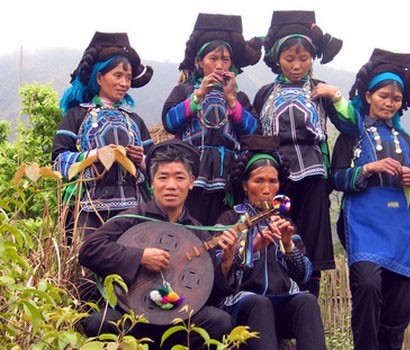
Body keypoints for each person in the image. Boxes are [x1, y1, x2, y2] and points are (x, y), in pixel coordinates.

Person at [78, 139, 236, 349]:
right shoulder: (134, 217)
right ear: (152, 183)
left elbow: (212, 291)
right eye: (163, 177)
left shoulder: (197, 231)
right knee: (100, 323)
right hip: (133, 319)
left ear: (191, 182)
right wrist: (139, 256)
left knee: (219, 321)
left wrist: (226, 263)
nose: (171, 185)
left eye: (179, 178)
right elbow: (89, 250)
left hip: (180, 325)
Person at [330, 48, 410, 350]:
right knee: (368, 286)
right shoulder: (351, 137)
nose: (390, 102)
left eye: (396, 99)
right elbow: (335, 177)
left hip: (399, 230)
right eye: (384, 95)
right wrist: (368, 169)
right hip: (364, 226)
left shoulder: (406, 142)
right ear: (369, 96)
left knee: (399, 308)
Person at [253, 10, 358, 296]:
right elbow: (253, 136)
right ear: (277, 59)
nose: (297, 65)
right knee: (275, 237)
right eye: (290, 59)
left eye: (303, 59)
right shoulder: (264, 94)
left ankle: (308, 303)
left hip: (313, 179)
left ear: (312, 59)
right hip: (275, 181)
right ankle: (276, 305)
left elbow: (351, 126)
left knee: (309, 244)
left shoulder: (320, 89)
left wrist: (337, 97)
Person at [215, 135, 326, 350]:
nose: (266, 188)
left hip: (282, 302)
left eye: (272, 181)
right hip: (244, 304)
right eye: (259, 181)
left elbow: (303, 275)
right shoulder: (229, 220)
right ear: (245, 186)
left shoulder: (285, 222)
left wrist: (288, 244)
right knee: (260, 303)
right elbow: (220, 272)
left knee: (307, 301)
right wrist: (252, 247)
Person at [162, 13, 262, 227]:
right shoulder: (184, 91)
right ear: (199, 62)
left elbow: (254, 132)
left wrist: (233, 101)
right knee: (190, 227)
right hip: (192, 175)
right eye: (213, 59)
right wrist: (197, 96)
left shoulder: (240, 97)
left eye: (225, 60)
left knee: (221, 229)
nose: (219, 66)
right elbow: (170, 122)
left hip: (227, 178)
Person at [52, 31, 154, 238]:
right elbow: (58, 161)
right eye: (118, 75)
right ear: (99, 77)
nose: (124, 83)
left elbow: (157, 165)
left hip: (134, 209)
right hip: (89, 210)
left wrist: (141, 159)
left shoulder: (134, 120)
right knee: (91, 262)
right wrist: (96, 154)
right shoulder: (77, 116)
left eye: (128, 77)